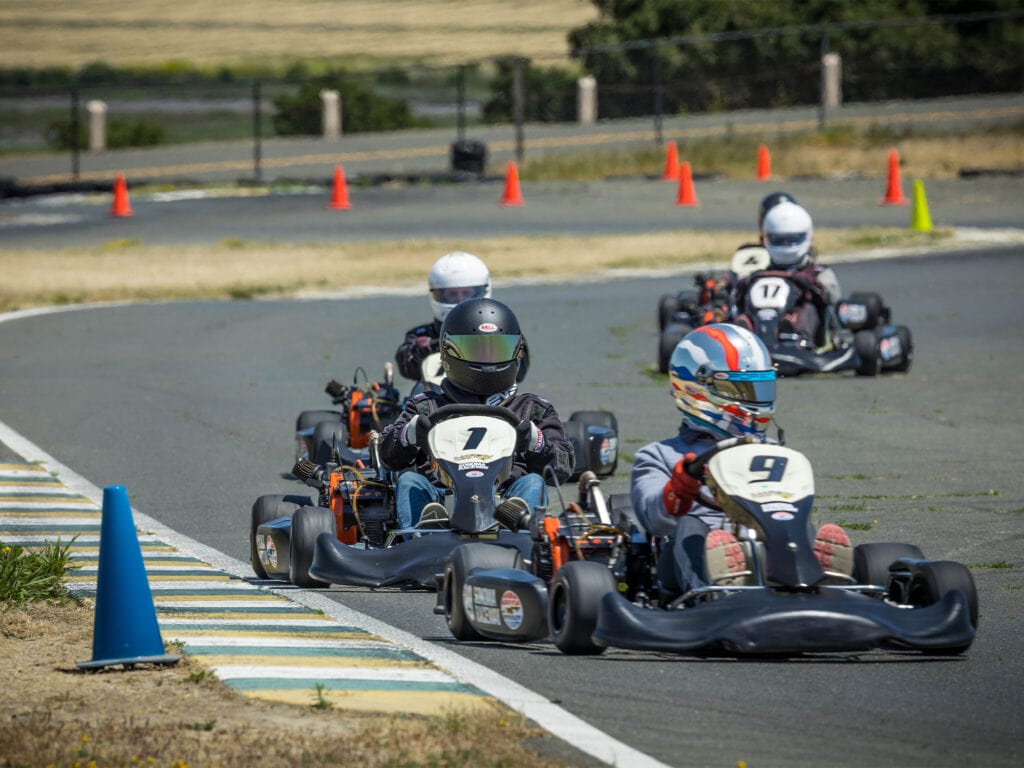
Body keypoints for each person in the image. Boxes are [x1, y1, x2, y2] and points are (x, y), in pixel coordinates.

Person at [630, 323, 852, 596]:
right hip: (687, 560)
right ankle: (715, 592)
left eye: (761, 388)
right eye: (743, 389)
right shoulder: (658, 455)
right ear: (697, 389)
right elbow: (655, 520)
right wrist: (679, 488)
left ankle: (819, 582)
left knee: (798, 524)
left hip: (764, 544)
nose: (756, 401)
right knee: (691, 529)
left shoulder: (769, 450)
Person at [380, 297, 574, 530]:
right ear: (448, 352)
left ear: (516, 351)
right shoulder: (427, 406)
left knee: (533, 482)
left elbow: (563, 467)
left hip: (506, 498)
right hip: (441, 493)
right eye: (476, 350)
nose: (488, 362)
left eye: (497, 350)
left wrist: (537, 442)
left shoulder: (532, 409)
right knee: (410, 481)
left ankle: (519, 527)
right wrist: (408, 435)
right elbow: (387, 457)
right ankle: (423, 530)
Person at [395, 251, 529, 383]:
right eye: (452, 294)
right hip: (436, 398)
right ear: (437, 294)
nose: (460, 300)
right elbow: (407, 369)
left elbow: (519, 372)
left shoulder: (500, 331)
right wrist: (423, 349)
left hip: (487, 394)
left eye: (467, 293)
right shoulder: (423, 335)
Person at [733, 200, 842, 344]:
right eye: (779, 240)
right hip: (762, 326)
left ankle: (794, 334)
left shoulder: (817, 272)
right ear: (767, 238)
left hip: (806, 334)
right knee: (748, 306)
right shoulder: (761, 272)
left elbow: (834, 297)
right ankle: (743, 331)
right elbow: (735, 295)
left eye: (791, 240)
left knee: (806, 308)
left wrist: (812, 286)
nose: (785, 245)